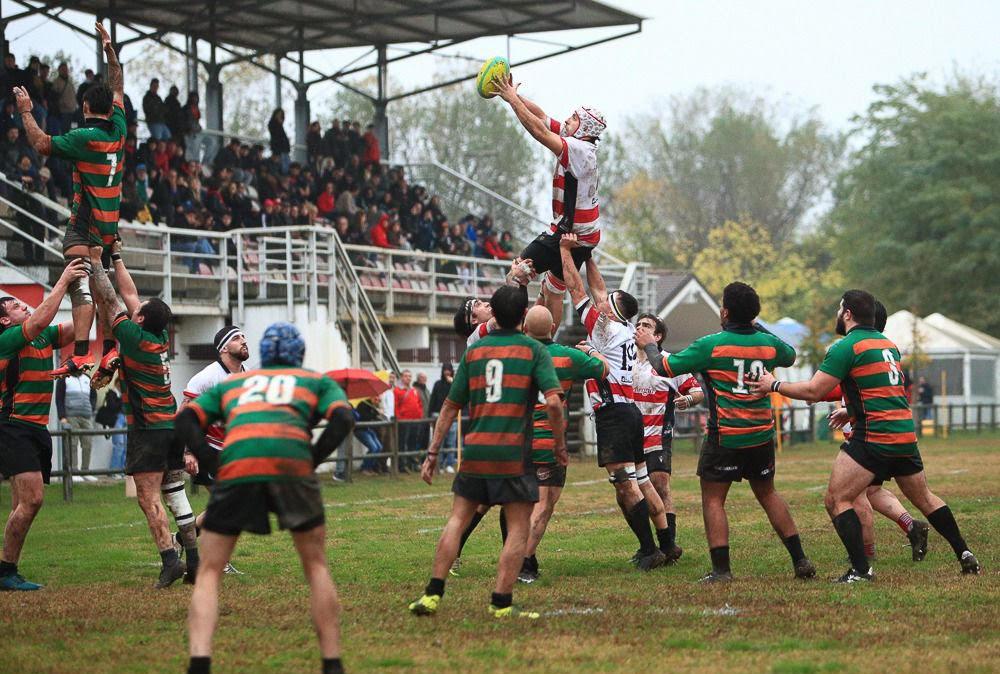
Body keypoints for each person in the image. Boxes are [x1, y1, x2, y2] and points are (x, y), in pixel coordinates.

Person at [749, 290, 981, 581]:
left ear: (847, 314)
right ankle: (965, 553)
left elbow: (814, 391)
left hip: (875, 437)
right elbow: (882, 393)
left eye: (839, 309)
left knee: (837, 499)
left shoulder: (846, 347)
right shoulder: (887, 345)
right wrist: (852, 411)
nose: (837, 314)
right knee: (925, 498)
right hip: (903, 434)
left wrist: (774, 385)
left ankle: (861, 569)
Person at [176, 322, 355, 674]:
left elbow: (186, 420)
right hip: (292, 468)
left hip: (238, 466)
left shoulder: (236, 383)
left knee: (209, 570)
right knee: (316, 566)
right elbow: (344, 417)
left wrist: (212, 461)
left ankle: (199, 661)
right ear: (299, 354)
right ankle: (332, 662)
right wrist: (312, 459)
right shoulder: (313, 380)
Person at [636, 281, 816, 583]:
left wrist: (649, 344)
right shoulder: (768, 344)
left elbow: (664, 367)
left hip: (726, 436)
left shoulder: (711, 345)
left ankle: (722, 571)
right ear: (754, 314)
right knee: (768, 493)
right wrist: (757, 326)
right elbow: (790, 356)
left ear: (725, 312)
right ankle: (800, 559)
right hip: (761, 434)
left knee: (713, 500)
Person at [408, 286, 565, 619]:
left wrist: (433, 453)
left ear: (494, 314)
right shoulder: (534, 351)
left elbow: (449, 407)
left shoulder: (474, 352)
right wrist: (560, 444)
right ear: (524, 317)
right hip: (513, 454)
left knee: (457, 520)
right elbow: (553, 402)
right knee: (518, 527)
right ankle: (501, 602)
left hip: (476, 451)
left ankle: (432, 593)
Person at [13, 22, 126, 380]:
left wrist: (26, 111)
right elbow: (118, 85)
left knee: (79, 280)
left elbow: (41, 144)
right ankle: (110, 350)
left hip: (85, 223)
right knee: (101, 284)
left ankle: (80, 354)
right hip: (109, 225)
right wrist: (109, 51)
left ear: (85, 105)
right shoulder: (120, 128)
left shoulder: (83, 137)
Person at [558, 233, 667, 571]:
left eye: (607, 300)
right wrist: (588, 256)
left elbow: (577, 289)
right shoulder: (622, 328)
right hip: (630, 412)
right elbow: (600, 288)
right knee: (640, 480)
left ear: (613, 310)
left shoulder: (603, 328)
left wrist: (565, 251)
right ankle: (667, 544)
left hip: (614, 414)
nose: (601, 300)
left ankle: (650, 550)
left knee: (625, 484)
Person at [89, 244, 185, 588]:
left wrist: (95, 261)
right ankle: (194, 556)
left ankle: (170, 560)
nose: (136, 305)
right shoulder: (157, 335)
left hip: (149, 429)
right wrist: (116, 255)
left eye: (139, 309)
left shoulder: (132, 336)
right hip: (171, 426)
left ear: (140, 319)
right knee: (174, 493)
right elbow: (130, 295)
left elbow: (112, 298)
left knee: (148, 497)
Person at [492, 73, 606, 335]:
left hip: (570, 233)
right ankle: (546, 340)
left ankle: (513, 332)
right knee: (552, 289)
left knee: (518, 274)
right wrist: (514, 96)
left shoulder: (580, 150)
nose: (567, 120)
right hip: (583, 233)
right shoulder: (580, 142)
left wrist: (511, 99)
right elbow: (542, 117)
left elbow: (539, 131)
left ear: (585, 128)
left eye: (574, 118)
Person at [0, 261, 89, 590]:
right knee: (33, 500)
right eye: (14, 305)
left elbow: (81, 326)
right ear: (4, 320)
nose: (23, 305)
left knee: (20, 504)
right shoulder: (8, 338)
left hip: (37, 428)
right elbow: (40, 319)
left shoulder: (42, 338)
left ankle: (9, 569)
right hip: (13, 426)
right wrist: (64, 280)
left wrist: (88, 291)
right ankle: (5, 571)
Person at [824, 300, 929, 565]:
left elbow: (838, 386)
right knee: (870, 490)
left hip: (869, 433)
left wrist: (802, 389)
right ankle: (911, 526)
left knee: (853, 496)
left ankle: (864, 558)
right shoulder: (883, 349)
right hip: (881, 430)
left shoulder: (855, 348)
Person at [518, 305, 607, 583]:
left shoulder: (515, 355)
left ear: (524, 329)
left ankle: (523, 556)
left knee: (520, 504)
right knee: (544, 505)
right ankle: (523, 562)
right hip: (548, 441)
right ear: (554, 329)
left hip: (517, 441)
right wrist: (591, 351)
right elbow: (603, 370)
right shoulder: (567, 356)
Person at [174, 326, 251, 576]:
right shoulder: (207, 378)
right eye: (237, 338)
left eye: (243, 336)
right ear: (224, 348)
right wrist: (188, 452)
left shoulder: (248, 376)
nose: (244, 341)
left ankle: (181, 539)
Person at [632, 313, 704, 564]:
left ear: (658, 336)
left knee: (660, 485)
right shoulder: (625, 359)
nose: (640, 328)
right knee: (633, 493)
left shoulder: (668, 363)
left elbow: (697, 391)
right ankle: (647, 547)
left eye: (647, 326)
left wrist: (688, 399)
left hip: (658, 435)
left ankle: (668, 546)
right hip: (631, 437)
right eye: (638, 324)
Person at [55, 371, 98, 478]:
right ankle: (73, 472)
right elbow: (59, 398)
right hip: (71, 416)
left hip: (86, 417)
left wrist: (91, 409)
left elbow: (93, 396)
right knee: (72, 444)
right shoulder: (64, 378)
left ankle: (85, 471)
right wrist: (62, 416)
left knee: (88, 444)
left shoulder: (88, 378)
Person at [428, 364, 458, 472]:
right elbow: (432, 399)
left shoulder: (455, 384)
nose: (447, 372)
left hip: (452, 416)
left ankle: (449, 464)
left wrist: (454, 384)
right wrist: (430, 414)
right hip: (438, 415)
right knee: (439, 441)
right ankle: (439, 464)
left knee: (451, 441)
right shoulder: (437, 384)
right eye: (445, 370)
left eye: (449, 370)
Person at [394, 370, 424, 473]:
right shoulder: (397, 390)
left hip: (415, 421)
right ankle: (402, 465)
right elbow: (395, 406)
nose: (408, 378)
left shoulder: (414, 390)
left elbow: (419, 403)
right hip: (404, 421)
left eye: (410, 376)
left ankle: (413, 463)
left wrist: (419, 414)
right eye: (406, 376)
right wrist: (399, 418)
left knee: (413, 442)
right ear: (401, 377)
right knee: (402, 443)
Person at [268, 108, 291, 175]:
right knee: (282, 168)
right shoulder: (273, 124)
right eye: (278, 114)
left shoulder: (280, 126)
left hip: (284, 149)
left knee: (287, 167)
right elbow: (276, 137)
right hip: (279, 150)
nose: (279, 116)